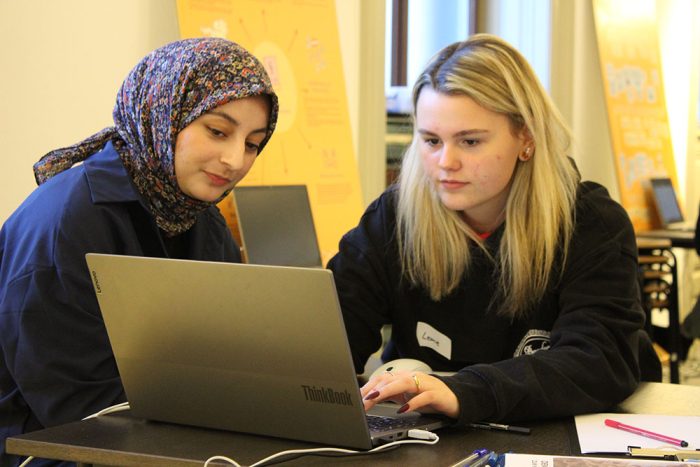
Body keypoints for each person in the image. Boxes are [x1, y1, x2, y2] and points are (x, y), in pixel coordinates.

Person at [328, 34, 660, 425]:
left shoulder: (589, 223)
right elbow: (334, 330)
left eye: (469, 141)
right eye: (431, 140)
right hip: (427, 433)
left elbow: (599, 359)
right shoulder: (395, 216)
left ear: (526, 137)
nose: (445, 162)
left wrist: (466, 392)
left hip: (557, 431)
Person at [0, 37, 278, 464]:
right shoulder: (67, 220)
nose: (234, 159)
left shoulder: (200, 217)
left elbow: (222, 358)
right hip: (53, 450)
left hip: (164, 440)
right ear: (162, 113)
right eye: (218, 131)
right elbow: (74, 405)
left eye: (253, 143)